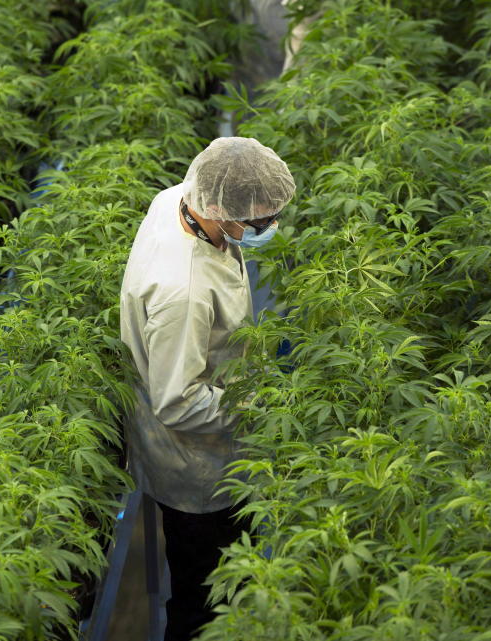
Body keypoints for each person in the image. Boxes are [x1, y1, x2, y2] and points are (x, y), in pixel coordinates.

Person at [119, 137, 296, 641]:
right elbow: (178, 402)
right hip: (196, 465)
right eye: (259, 223)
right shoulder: (184, 291)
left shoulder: (179, 198)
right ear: (218, 210)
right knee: (206, 595)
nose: (267, 229)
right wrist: (259, 410)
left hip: (212, 399)